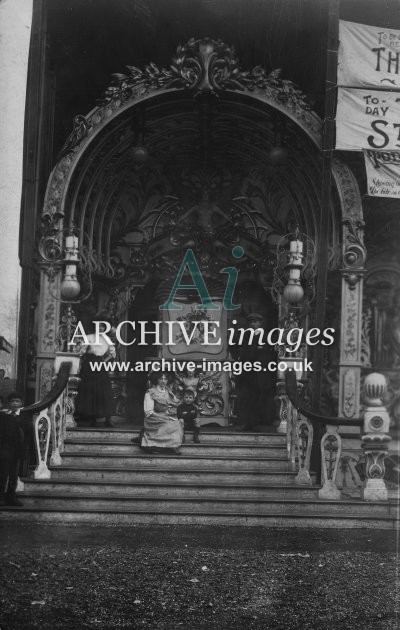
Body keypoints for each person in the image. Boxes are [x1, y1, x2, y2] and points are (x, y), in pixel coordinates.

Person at [231, 312, 277, 431]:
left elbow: (271, 354)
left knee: (260, 398)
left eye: (255, 322)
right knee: (247, 398)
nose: (253, 324)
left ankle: (259, 424)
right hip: (247, 373)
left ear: (260, 323)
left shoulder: (267, 336)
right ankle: (248, 423)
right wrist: (239, 357)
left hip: (261, 373)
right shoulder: (244, 335)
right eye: (251, 322)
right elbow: (234, 346)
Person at [76, 321, 116, 427]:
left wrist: (104, 361)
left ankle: (108, 419)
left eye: (103, 326)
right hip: (89, 364)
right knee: (90, 390)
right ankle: (92, 418)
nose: (101, 328)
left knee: (104, 390)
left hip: (100, 364)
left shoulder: (107, 339)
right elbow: (81, 352)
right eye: (99, 326)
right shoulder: (89, 337)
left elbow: (112, 353)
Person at [141, 372, 183, 454]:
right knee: (171, 425)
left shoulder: (168, 391)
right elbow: (148, 412)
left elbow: (175, 403)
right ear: (157, 380)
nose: (163, 381)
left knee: (178, 424)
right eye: (161, 379)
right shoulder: (150, 393)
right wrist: (163, 417)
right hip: (153, 418)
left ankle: (169, 447)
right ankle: (157, 446)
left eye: (165, 379)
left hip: (165, 416)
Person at [0, 392, 29, 507]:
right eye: (13, 401)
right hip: (5, 450)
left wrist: (24, 451)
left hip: (17, 450)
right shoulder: (4, 416)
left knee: (13, 475)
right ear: (9, 403)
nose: (15, 403)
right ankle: (1, 497)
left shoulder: (25, 417)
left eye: (17, 401)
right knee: (3, 474)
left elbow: (27, 436)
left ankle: (11, 497)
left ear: (21, 403)